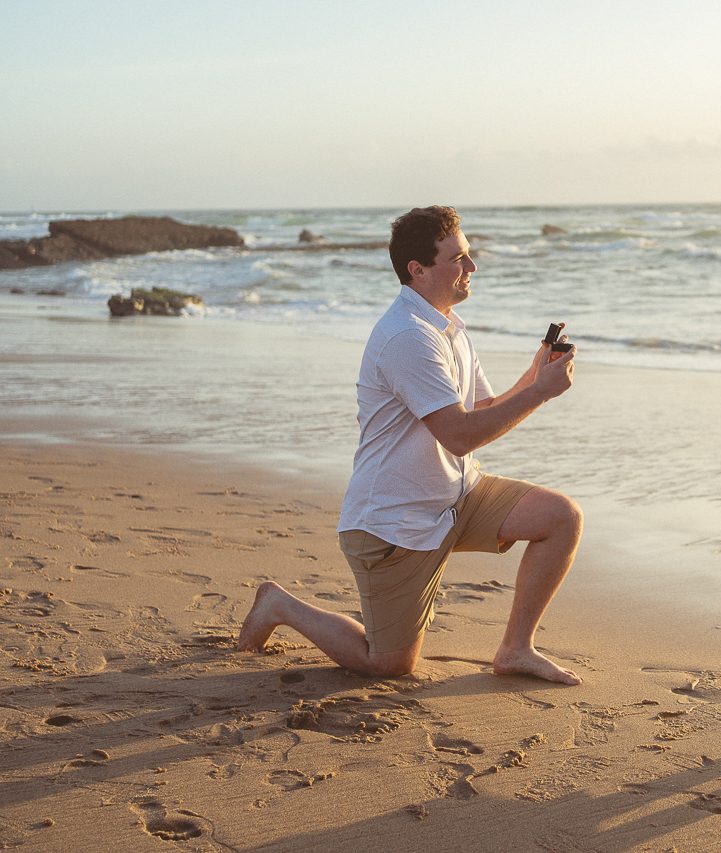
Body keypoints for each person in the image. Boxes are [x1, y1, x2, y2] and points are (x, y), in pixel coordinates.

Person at [237, 205, 584, 685]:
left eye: (469, 255)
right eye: (458, 259)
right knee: (390, 665)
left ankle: (515, 649)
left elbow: (479, 412)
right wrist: (541, 393)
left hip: (456, 496)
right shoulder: (407, 337)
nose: (472, 268)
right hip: (393, 524)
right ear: (417, 270)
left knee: (559, 516)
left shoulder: (449, 327)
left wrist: (534, 374)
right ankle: (280, 605)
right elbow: (459, 436)